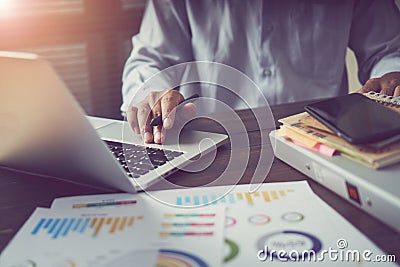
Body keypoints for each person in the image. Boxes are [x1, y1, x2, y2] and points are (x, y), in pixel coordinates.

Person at [121, 0, 400, 144]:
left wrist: (393, 74)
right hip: (213, 143)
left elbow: (388, 49)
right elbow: (151, 58)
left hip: (323, 143)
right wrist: (150, 94)